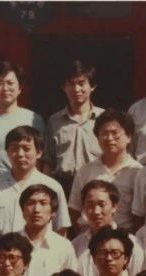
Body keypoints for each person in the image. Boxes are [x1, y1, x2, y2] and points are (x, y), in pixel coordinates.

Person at [0, 126, 70, 237]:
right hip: (0, 247)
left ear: (39, 153)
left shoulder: (53, 187)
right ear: (7, 152)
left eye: (26, 149)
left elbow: (61, 230)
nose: (20, 154)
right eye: (14, 148)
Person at [68, 110, 142, 233]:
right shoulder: (85, 171)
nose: (109, 138)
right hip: (90, 236)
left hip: (124, 236)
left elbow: (140, 215)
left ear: (129, 137)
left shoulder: (138, 172)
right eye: (104, 133)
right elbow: (74, 210)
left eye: (115, 133)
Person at [46, 60, 103, 195]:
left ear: (92, 86)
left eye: (81, 83)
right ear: (64, 87)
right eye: (71, 84)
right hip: (63, 186)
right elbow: (48, 161)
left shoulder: (104, 118)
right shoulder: (54, 121)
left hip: (97, 184)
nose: (76, 89)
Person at [71, 181, 144, 276]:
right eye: (90, 205)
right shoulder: (75, 246)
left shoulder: (132, 243)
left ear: (114, 207)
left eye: (102, 205)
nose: (96, 211)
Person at [12, 184, 78, 276]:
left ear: (53, 213)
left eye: (43, 203)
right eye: (31, 203)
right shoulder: (10, 242)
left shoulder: (63, 247)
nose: (36, 209)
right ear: (22, 211)